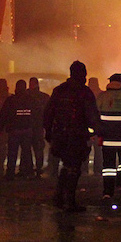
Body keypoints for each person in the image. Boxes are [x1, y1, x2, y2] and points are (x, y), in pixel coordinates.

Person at [44, 61, 101, 212]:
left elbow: (48, 112)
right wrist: (97, 131)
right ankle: (69, 200)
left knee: (66, 166)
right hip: (77, 135)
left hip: (60, 135)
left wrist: (48, 131)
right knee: (74, 168)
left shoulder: (59, 90)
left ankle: (59, 196)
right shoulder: (84, 92)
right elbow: (91, 115)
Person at [0, 79, 35, 180]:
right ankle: (28, 171)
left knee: (12, 152)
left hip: (14, 130)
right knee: (27, 152)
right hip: (27, 129)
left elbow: (3, 114)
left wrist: (0, 128)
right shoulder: (30, 99)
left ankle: (10, 173)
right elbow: (35, 114)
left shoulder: (11, 100)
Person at [28, 77, 50, 178]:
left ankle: (28, 168)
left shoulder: (25, 96)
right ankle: (38, 168)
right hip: (38, 126)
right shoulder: (44, 97)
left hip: (28, 126)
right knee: (38, 148)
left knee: (27, 148)